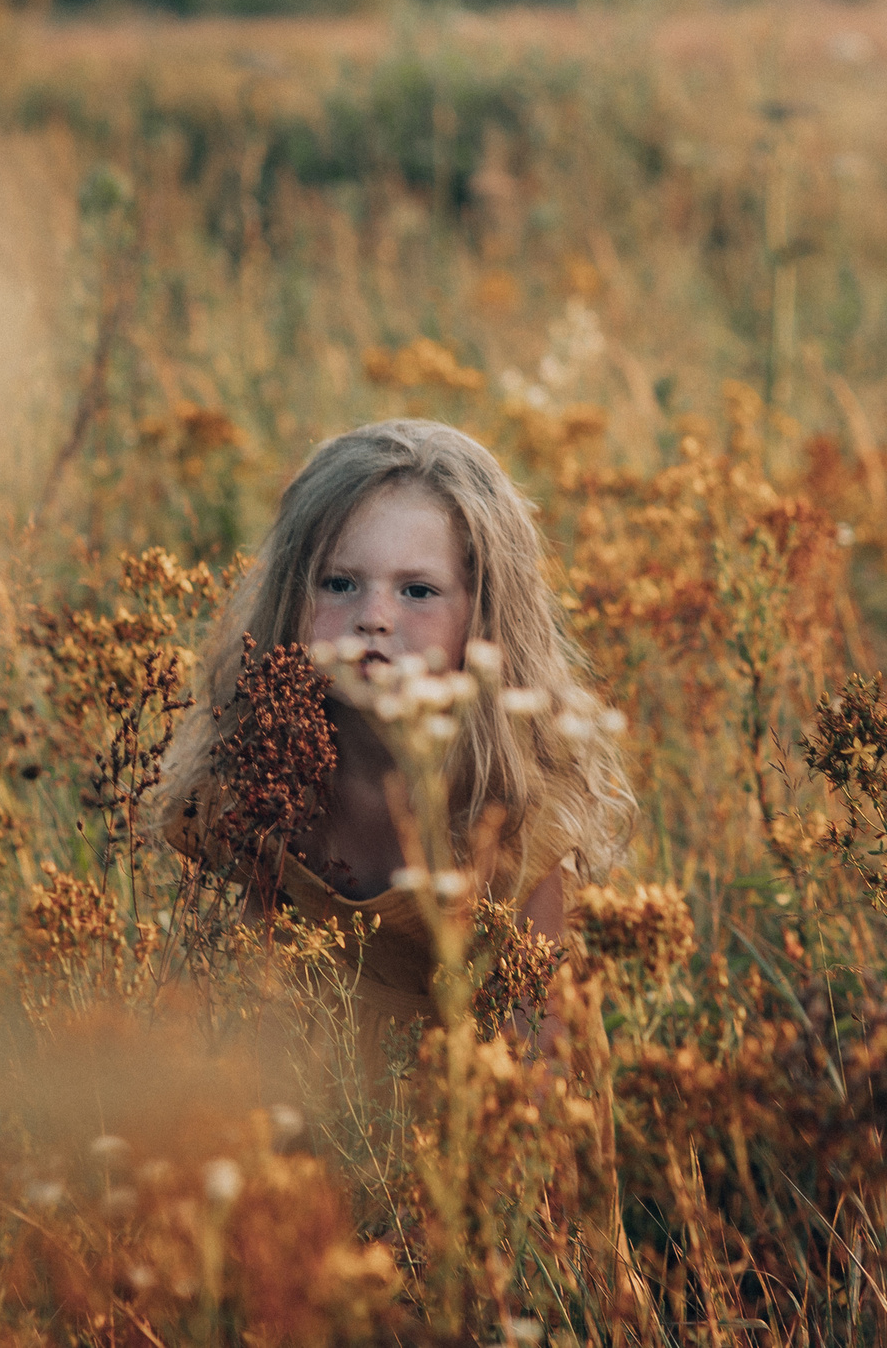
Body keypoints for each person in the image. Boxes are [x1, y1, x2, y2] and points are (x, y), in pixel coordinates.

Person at [153, 418, 633, 1036]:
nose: (374, 617)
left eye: (418, 591)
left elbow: (538, 1059)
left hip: (473, 1089)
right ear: (291, 599)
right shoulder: (262, 783)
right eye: (340, 583)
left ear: (485, 615)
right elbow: (230, 1014)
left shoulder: (514, 816)